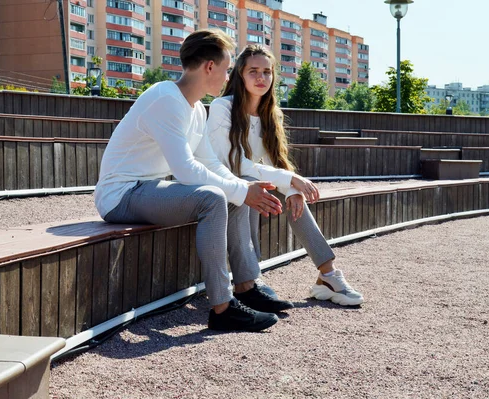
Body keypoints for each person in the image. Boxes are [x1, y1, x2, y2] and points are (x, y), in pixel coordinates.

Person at [94, 30, 295, 333]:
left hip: (147, 189)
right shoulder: (165, 99)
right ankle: (223, 308)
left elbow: (210, 163)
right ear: (209, 67)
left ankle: (245, 285)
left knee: (235, 192)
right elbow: (186, 170)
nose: (229, 78)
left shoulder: (196, 109)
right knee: (214, 197)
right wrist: (241, 190)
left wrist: (244, 189)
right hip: (121, 195)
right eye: (227, 69)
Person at [206, 45, 364, 306]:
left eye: (267, 72)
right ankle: (251, 279)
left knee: (292, 195)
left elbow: (273, 161)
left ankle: (329, 275)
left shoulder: (271, 114)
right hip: (219, 181)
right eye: (253, 71)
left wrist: (292, 190)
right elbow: (232, 161)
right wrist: (290, 179)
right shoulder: (222, 107)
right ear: (240, 76)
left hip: (244, 181)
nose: (261, 78)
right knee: (251, 185)